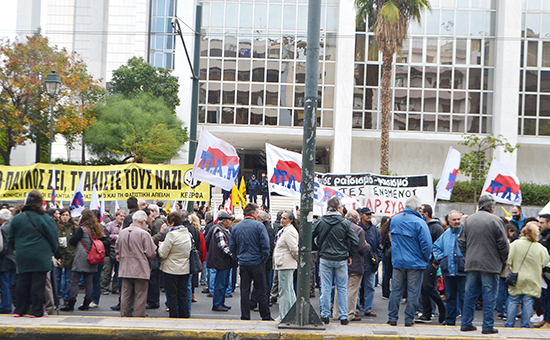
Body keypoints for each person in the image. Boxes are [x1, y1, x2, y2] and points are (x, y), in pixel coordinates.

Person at [458, 195, 509, 334]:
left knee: (470, 294)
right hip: (490, 263)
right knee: (489, 295)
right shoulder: (496, 220)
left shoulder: (469, 220)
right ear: (492, 208)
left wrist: (468, 255)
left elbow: (461, 241)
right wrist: (502, 259)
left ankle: (466, 323)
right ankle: (487, 326)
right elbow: (503, 244)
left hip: (472, 262)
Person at [9, 190, 58, 318]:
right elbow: (53, 238)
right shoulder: (46, 218)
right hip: (41, 254)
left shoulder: (18, 218)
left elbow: (10, 239)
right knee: (38, 283)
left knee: (22, 281)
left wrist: (17, 249)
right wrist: (55, 252)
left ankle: (19, 309)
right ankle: (36, 311)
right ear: (41, 203)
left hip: (22, 254)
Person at [313, 197, 359, 325]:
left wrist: (317, 248)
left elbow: (309, 235)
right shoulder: (345, 223)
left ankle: (325, 315)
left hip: (325, 257)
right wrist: (349, 254)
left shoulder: (321, 221)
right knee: (342, 288)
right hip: (341, 258)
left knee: (326, 287)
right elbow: (355, 241)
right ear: (339, 208)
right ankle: (343, 316)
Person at [387, 196, 432, 327]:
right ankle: (408, 319)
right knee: (413, 292)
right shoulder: (420, 223)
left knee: (396, 291)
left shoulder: (395, 220)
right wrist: (425, 258)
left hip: (398, 261)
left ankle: (392, 318)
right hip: (415, 262)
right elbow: (427, 245)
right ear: (417, 209)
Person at [229, 202, 273, 321]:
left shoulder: (237, 227)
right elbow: (265, 245)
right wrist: (263, 258)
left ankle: (245, 315)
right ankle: (265, 315)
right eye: (257, 212)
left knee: (245, 290)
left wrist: (238, 257)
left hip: (243, 262)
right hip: (257, 262)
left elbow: (232, 246)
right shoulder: (259, 226)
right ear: (253, 213)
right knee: (261, 290)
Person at [61, 210, 109, 312]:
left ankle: (71, 303)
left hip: (81, 258)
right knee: (89, 282)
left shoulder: (82, 229)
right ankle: (86, 303)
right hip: (93, 257)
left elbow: (72, 241)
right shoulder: (97, 229)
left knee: (74, 281)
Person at [505, 222, 549, 328]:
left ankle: (509, 324)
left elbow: (508, 260)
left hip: (517, 277)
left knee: (513, 299)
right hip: (533, 279)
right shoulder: (540, 247)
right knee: (528, 301)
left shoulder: (515, 244)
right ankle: (525, 325)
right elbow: (545, 261)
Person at [116, 210, 157, 317]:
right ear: (143, 221)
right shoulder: (144, 234)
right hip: (140, 269)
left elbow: (117, 250)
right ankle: (138, 318)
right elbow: (151, 253)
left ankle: (125, 316)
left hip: (125, 268)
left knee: (126, 295)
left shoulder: (122, 233)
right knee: (140, 296)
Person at [332, 209, 370, 322]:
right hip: (356, 263)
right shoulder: (359, 230)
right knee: (352, 290)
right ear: (357, 219)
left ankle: (336, 313)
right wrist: (368, 246)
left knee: (339, 289)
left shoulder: (340, 227)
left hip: (340, 261)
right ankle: (349, 313)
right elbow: (362, 248)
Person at [432, 210, 466, 326]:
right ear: (449, 222)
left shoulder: (466, 233)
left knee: (464, 298)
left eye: (458, 219)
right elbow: (435, 247)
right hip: (449, 271)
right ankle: (450, 320)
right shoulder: (445, 234)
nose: (457, 222)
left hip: (463, 271)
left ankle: (465, 321)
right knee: (450, 297)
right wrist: (441, 259)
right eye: (454, 220)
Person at [158, 212, 192, 318]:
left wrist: (161, 245)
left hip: (171, 269)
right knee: (182, 293)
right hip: (185, 268)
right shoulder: (187, 234)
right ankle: (185, 315)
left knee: (172, 295)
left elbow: (163, 253)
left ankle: (174, 316)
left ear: (172, 223)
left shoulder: (171, 235)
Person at [416, 204, 446, 324]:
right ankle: (426, 313)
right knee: (424, 287)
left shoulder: (436, 228)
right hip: (424, 261)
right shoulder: (424, 226)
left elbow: (440, 246)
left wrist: (435, 262)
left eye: (421, 211)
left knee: (428, 286)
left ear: (426, 214)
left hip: (431, 262)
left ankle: (441, 307)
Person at [273, 210, 299, 321]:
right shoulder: (286, 230)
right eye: (281, 218)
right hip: (285, 263)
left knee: (284, 291)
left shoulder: (289, 231)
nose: (282, 220)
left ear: (291, 220)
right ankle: (291, 314)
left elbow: (293, 248)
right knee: (288, 290)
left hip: (286, 264)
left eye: (285, 218)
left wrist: (298, 260)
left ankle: (284, 316)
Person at [207, 211, 236, 312]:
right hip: (222, 261)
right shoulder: (220, 230)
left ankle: (221, 302)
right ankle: (217, 304)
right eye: (229, 220)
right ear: (223, 221)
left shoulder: (222, 229)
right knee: (220, 283)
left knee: (223, 283)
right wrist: (233, 255)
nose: (230, 222)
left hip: (223, 261)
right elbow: (223, 246)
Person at [358, 207, 381, 318]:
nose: (369, 216)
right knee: (357, 287)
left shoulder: (375, 230)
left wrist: (377, 259)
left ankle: (368, 308)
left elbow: (379, 246)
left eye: (370, 214)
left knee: (370, 287)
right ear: (361, 215)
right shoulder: (357, 228)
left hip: (370, 263)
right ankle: (356, 308)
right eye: (367, 214)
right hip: (359, 262)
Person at [101, 210, 125, 295]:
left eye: (123, 216)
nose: (122, 218)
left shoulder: (124, 226)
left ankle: (115, 288)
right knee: (107, 270)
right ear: (116, 216)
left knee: (118, 271)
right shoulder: (110, 225)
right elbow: (105, 236)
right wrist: (117, 236)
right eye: (120, 216)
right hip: (110, 250)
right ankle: (104, 288)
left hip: (120, 250)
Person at [56, 208, 76, 305]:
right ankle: (56, 297)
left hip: (69, 255)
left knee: (68, 279)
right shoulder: (56, 227)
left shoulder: (73, 227)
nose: (65, 217)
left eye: (66, 215)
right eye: (63, 215)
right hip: (58, 255)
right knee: (57, 278)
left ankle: (67, 298)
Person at [0, 209, 15, 314]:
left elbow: (1, 246)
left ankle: (6, 305)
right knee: (11, 284)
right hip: (14, 259)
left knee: (4, 284)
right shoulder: (14, 228)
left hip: (4, 260)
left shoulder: (2, 229)